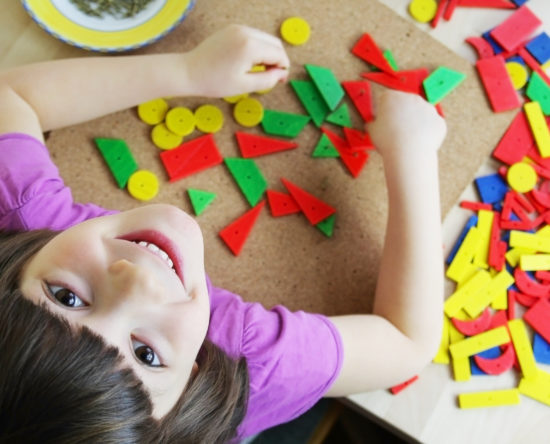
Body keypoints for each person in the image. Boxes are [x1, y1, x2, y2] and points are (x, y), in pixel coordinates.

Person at [0, 24, 446, 443]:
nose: (138, 281)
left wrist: (187, 70)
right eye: (146, 355)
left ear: (12, 269)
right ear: (192, 379)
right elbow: (407, 341)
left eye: (66, 297)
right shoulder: (251, 362)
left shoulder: (25, 220)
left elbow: (8, 94)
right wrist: (414, 153)